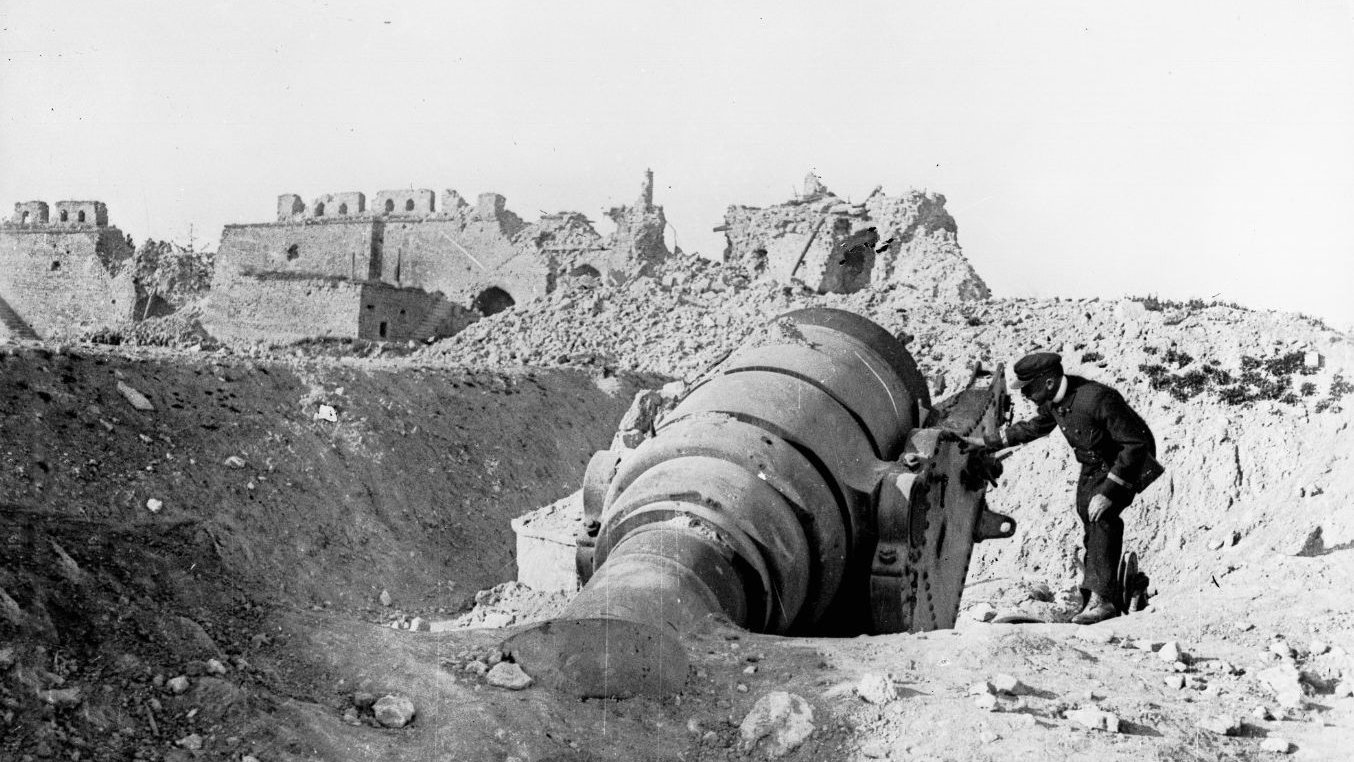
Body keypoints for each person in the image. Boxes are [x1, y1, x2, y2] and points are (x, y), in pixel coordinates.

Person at [964, 351, 1157, 625]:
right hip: (1094, 464)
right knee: (1087, 514)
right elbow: (1035, 427)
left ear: (1049, 382)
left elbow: (1136, 444)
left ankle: (1103, 601)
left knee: (1102, 516)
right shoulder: (1055, 399)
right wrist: (987, 443)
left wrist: (1109, 491)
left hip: (1126, 463)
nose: (1025, 394)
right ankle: (1098, 592)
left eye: (1028, 388)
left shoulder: (1097, 398)